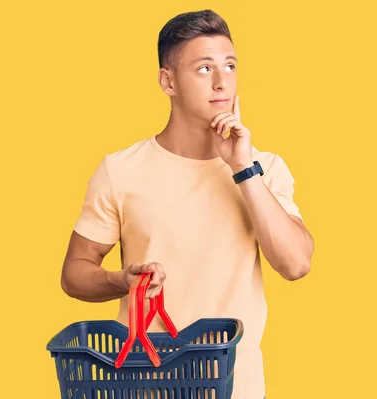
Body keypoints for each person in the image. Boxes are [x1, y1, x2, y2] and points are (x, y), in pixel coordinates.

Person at [60, 9, 314, 399]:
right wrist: (118, 280)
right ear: (168, 81)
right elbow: (74, 273)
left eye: (230, 66)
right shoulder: (121, 170)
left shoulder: (265, 169)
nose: (221, 81)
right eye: (203, 68)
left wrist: (243, 169)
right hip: (144, 388)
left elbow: (296, 264)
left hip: (237, 389)